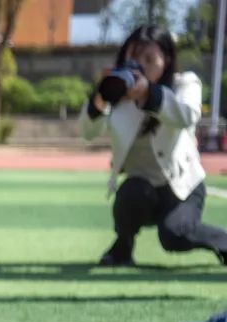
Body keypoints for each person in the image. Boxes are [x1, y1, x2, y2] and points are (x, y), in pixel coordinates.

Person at [80, 24, 227, 267]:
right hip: (143, 190)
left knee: (174, 235)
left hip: (182, 189)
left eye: (149, 58)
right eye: (134, 56)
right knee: (131, 191)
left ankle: (223, 241)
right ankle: (123, 246)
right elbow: (87, 132)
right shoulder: (117, 95)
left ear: (166, 60)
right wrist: (100, 98)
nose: (140, 64)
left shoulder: (184, 84)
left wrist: (150, 94)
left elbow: (187, 115)